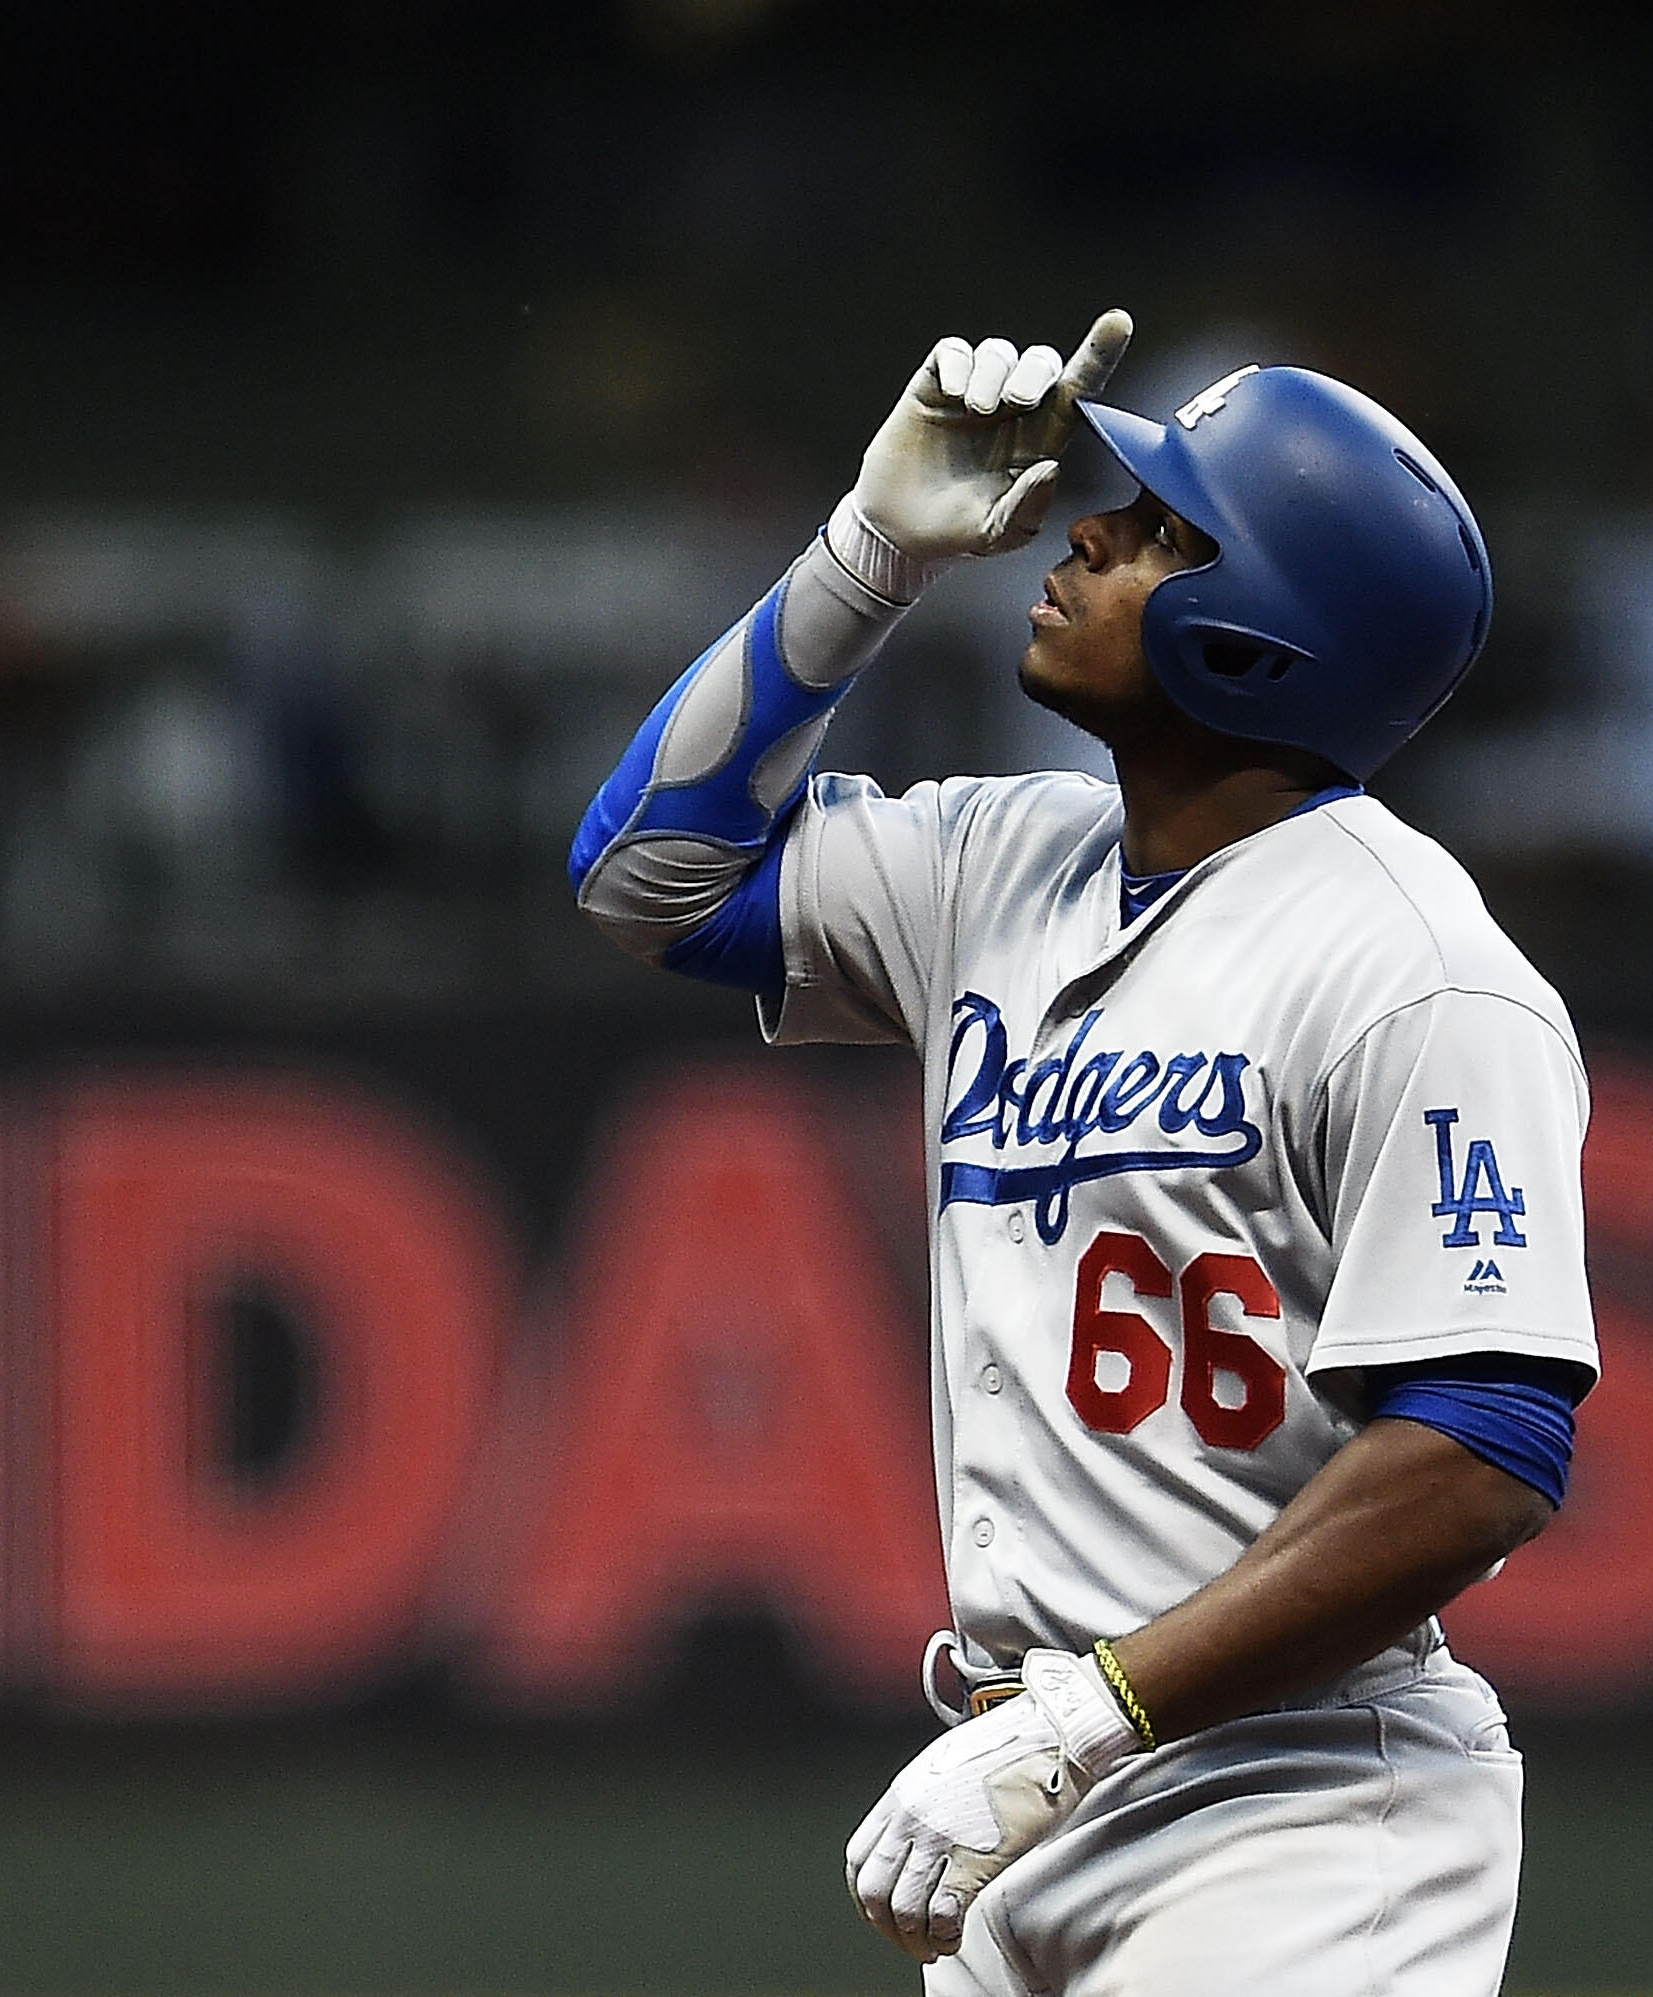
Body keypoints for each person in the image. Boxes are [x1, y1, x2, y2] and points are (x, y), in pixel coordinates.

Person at [569, 311, 1596, 1994]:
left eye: (1163, 531)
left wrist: (1091, 1714)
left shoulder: (1421, 969)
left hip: (1304, 1808)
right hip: (1037, 1783)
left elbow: (1484, 1448)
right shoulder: (1003, 857)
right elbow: (644, 877)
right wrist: (867, 555)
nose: (1085, 529)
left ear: (1257, 641)